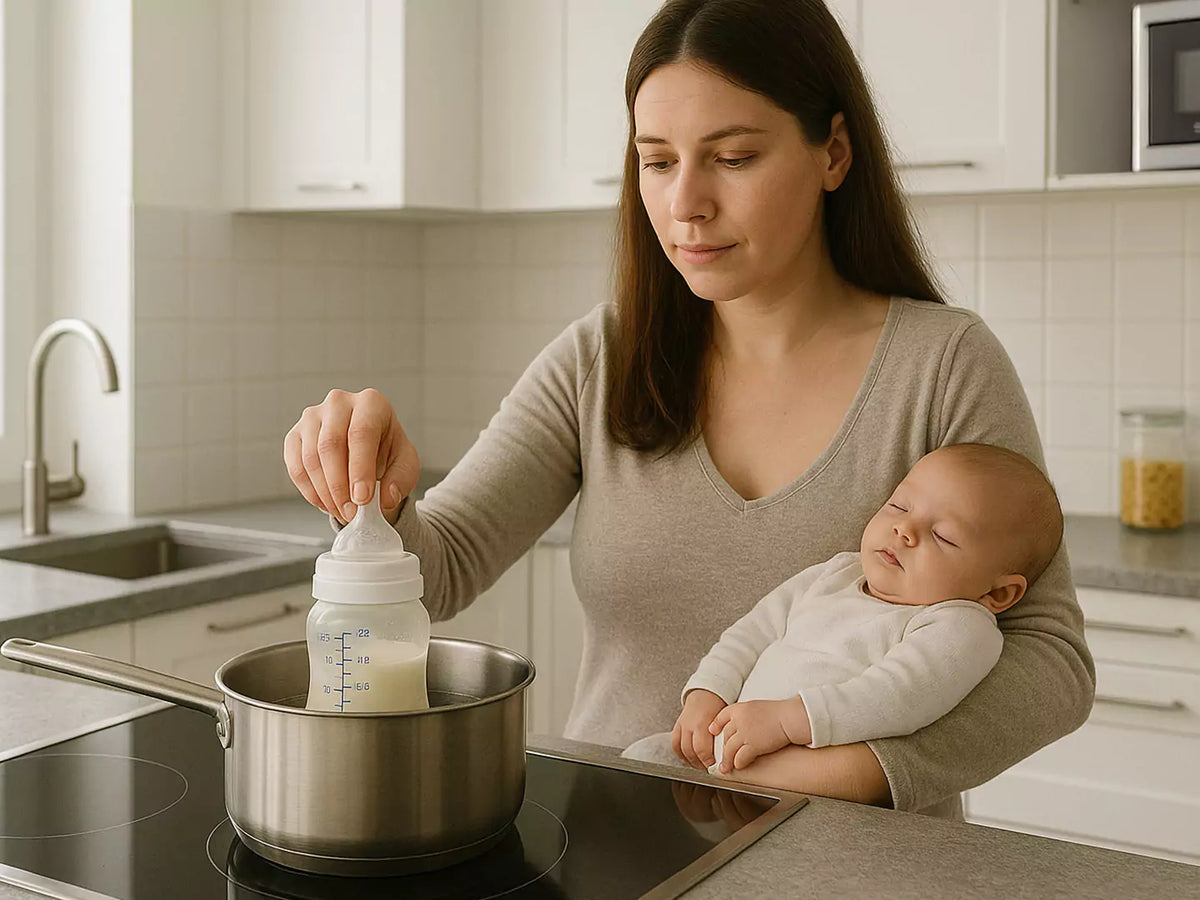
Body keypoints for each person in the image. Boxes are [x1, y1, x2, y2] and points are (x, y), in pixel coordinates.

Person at [282, 0, 1094, 817]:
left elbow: (1051, 665)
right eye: (657, 161)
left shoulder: (943, 364)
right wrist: (373, 493)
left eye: (733, 157)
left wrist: (838, 777)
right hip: (616, 847)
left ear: (834, 153)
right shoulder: (601, 357)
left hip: (852, 864)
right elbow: (442, 565)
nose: (685, 203)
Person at [621, 443, 1064, 779]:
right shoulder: (835, 572)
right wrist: (707, 695)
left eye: (943, 536)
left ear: (1000, 593)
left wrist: (786, 720)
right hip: (727, 755)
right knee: (638, 761)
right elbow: (750, 635)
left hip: (813, 789)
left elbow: (897, 696)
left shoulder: (961, 625)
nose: (904, 530)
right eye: (899, 506)